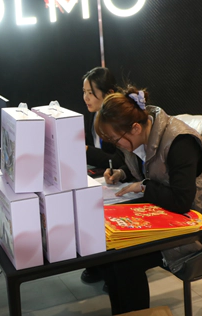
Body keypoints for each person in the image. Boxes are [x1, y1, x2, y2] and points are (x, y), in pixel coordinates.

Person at [94, 86, 202, 315]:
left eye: (116, 140)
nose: (116, 145)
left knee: (124, 260)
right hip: (171, 211)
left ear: (135, 128)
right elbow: (152, 167)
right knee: (109, 249)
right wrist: (122, 173)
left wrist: (143, 186)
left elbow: (181, 200)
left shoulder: (180, 143)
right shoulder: (143, 133)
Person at [81, 66, 126, 284]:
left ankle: (110, 268)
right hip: (106, 175)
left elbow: (119, 159)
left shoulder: (118, 118)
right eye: (84, 92)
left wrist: (87, 152)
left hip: (125, 177)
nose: (86, 98)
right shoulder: (95, 113)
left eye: (91, 93)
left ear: (108, 93)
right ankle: (96, 262)